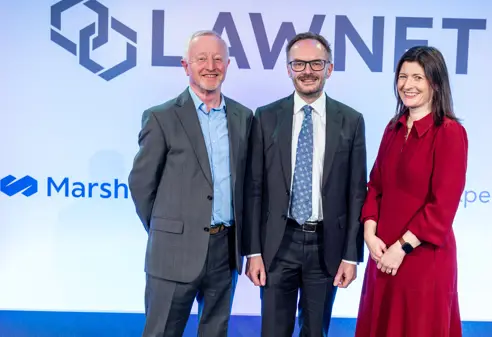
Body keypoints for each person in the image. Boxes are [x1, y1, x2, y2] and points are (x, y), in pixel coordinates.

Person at [128, 30, 253, 337]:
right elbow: (142, 185)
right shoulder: (161, 117)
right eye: (201, 59)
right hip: (173, 252)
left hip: (225, 252)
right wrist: (166, 227)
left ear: (227, 65)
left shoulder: (244, 117)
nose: (210, 65)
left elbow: (248, 184)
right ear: (186, 66)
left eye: (218, 59)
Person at [243, 32, 367, 337]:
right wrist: (253, 251)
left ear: (329, 68)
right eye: (298, 64)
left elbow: (356, 193)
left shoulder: (351, 120)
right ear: (288, 69)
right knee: (273, 331)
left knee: (315, 332)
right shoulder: (266, 117)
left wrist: (351, 255)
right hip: (277, 245)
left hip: (326, 246)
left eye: (316, 63)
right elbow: (254, 188)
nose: (307, 71)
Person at [354, 45, 468, 337]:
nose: (407, 85)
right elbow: (376, 185)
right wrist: (369, 232)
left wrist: (401, 247)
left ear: (435, 83)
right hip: (382, 256)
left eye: (418, 77)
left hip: (422, 259)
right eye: (403, 76)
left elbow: (442, 205)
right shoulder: (393, 127)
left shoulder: (450, 133)